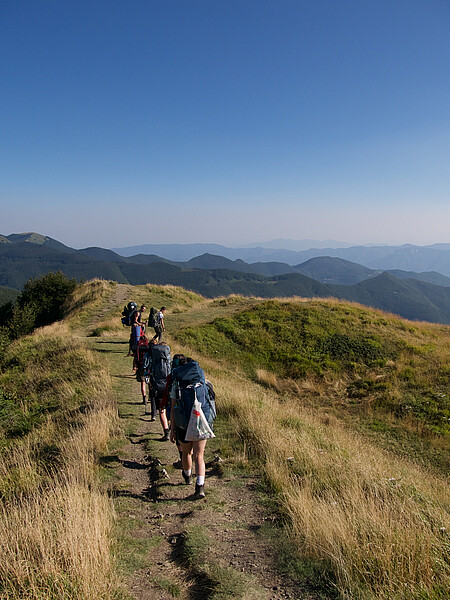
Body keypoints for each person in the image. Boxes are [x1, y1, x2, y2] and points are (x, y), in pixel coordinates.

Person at [169, 359, 215, 499]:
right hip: (201, 421)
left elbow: (172, 409)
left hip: (183, 423)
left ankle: (187, 476)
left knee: (186, 453)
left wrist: (172, 429)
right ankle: (200, 487)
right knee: (199, 455)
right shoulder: (204, 382)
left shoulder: (176, 385)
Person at [148, 339, 171, 439]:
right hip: (169, 385)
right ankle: (170, 425)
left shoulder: (154, 359)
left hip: (158, 386)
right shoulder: (169, 360)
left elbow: (149, 372)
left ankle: (166, 431)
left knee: (162, 410)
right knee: (171, 408)